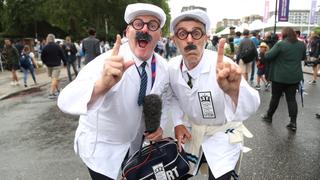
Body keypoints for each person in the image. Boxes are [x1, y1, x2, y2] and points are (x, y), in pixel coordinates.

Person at [57, 3, 170, 180]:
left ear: (159, 35)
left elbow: (164, 97)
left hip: (136, 147)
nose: (145, 29)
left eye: (152, 25)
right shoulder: (106, 62)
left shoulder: (162, 67)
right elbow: (64, 101)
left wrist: (158, 127)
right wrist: (102, 85)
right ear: (127, 32)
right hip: (102, 149)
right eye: (138, 24)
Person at [168, 9, 260, 180]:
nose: (189, 39)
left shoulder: (223, 64)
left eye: (196, 33)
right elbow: (173, 95)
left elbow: (253, 106)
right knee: (180, 172)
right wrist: (178, 122)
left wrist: (235, 90)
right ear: (174, 40)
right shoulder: (172, 67)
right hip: (193, 133)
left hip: (222, 136)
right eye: (182, 34)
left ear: (205, 38)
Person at [261, 27, 306, 131]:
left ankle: (269, 116)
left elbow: (268, 57)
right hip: (294, 77)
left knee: (275, 97)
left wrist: (263, 52)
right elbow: (303, 57)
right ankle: (293, 122)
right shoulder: (301, 44)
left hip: (279, 77)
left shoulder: (280, 44)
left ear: (284, 34)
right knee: (291, 99)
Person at [41, 34, 67, 99]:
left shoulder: (45, 47)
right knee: (55, 78)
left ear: (48, 39)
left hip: (48, 65)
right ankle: (51, 93)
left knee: (53, 78)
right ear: (53, 39)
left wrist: (45, 62)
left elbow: (42, 56)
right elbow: (62, 55)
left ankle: (58, 90)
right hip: (56, 65)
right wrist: (65, 62)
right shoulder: (57, 46)